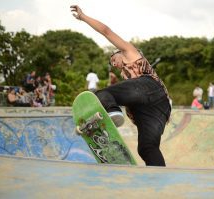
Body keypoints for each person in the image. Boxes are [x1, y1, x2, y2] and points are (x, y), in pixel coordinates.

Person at [71, 5, 171, 167]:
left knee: (101, 94)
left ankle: (113, 112)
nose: (114, 64)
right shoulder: (125, 77)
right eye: (112, 64)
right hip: (157, 110)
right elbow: (128, 93)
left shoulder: (130, 52)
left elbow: (106, 31)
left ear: (119, 52)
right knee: (146, 148)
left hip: (151, 89)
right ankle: (159, 175)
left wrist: (83, 17)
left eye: (113, 59)